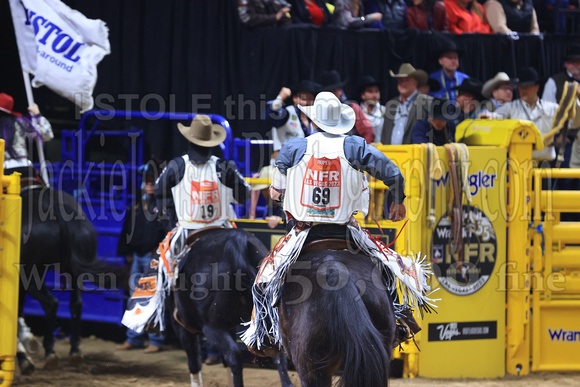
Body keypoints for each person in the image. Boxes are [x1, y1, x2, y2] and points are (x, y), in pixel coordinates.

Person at [242, 91, 434, 355]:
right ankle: (399, 322)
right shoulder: (355, 146)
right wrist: (397, 201)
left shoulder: (293, 147)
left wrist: (289, 191)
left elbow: (276, 192)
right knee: (387, 269)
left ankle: (265, 333)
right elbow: (393, 173)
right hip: (346, 232)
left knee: (264, 280)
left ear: (314, 121)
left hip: (304, 234)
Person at [117, 160, 167, 353]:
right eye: (147, 180)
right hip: (138, 257)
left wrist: (158, 251)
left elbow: (166, 231)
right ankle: (135, 337)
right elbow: (129, 230)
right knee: (134, 297)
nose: (149, 183)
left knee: (153, 297)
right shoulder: (139, 206)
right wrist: (128, 252)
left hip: (152, 257)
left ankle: (155, 340)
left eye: (153, 180)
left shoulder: (161, 206)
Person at [480, 68, 560, 162]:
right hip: (518, 165)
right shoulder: (511, 107)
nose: (523, 91)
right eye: (521, 87)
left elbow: (572, 119)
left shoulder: (551, 108)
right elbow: (498, 116)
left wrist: (574, 100)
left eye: (527, 87)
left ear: (537, 87)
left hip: (545, 164)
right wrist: (491, 117)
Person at [542, 45, 580, 169]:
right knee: (567, 178)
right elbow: (546, 111)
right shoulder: (555, 81)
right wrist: (556, 135)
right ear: (566, 64)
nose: (576, 65)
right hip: (566, 137)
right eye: (572, 62)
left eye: (578, 62)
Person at [0, 93, 53, 179]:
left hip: (3, 170)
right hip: (25, 167)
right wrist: (38, 115)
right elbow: (47, 135)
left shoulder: (20, 122)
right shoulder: (21, 122)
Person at [263, 80, 320, 160]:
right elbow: (268, 117)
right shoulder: (286, 114)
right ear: (294, 98)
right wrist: (280, 98)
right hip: (284, 163)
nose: (306, 102)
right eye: (303, 99)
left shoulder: (315, 119)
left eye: (310, 99)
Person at [318, 70, 375, 143]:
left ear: (340, 91)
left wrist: (360, 151)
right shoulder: (319, 110)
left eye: (334, 90)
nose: (332, 94)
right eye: (329, 91)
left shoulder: (353, 108)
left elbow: (368, 132)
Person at [382, 63, 432, 145]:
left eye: (407, 80)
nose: (403, 83)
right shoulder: (391, 105)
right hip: (390, 154)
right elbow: (385, 135)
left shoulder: (426, 102)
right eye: (400, 80)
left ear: (415, 83)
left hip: (415, 155)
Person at [358, 75, 386, 141]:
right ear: (363, 95)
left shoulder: (385, 111)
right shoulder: (357, 113)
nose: (374, 95)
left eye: (376, 91)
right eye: (370, 91)